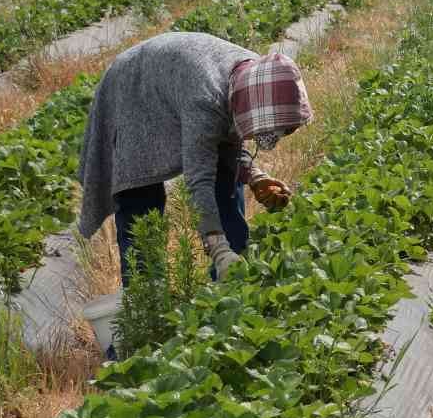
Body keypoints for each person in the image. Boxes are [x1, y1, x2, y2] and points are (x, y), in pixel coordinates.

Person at [78, 33, 311, 290]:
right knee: (141, 203)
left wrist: (255, 176)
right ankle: (146, 299)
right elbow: (198, 176)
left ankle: (232, 284)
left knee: (227, 177)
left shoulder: (260, 77)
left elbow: (228, 136)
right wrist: (217, 248)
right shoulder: (207, 98)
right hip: (134, 88)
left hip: (178, 78)